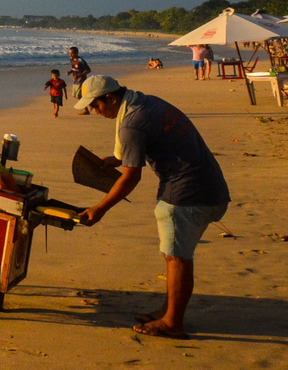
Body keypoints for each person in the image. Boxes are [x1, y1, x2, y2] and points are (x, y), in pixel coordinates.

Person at [75, 74, 230, 339]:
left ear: (110, 98)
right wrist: (115, 160)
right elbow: (145, 146)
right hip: (211, 185)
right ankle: (168, 308)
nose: (93, 112)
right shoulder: (148, 103)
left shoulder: (131, 124)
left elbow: (132, 176)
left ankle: (173, 322)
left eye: (95, 106)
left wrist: (100, 208)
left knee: (177, 257)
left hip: (188, 194)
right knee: (173, 253)